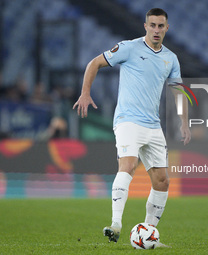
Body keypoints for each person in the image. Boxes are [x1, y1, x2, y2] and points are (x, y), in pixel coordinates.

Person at [73, 8, 191, 244]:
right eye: (152, 25)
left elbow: (179, 91)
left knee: (162, 181)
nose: (156, 30)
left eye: (161, 26)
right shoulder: (128, 48)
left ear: (167, 28)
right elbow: (94, 63)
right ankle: (115, 224)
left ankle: (147, 232)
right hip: (128, 120)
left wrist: (184, 122)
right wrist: (85, 93)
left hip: (153, 125)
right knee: (128, 165)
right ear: (145, 26)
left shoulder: (171, 58)